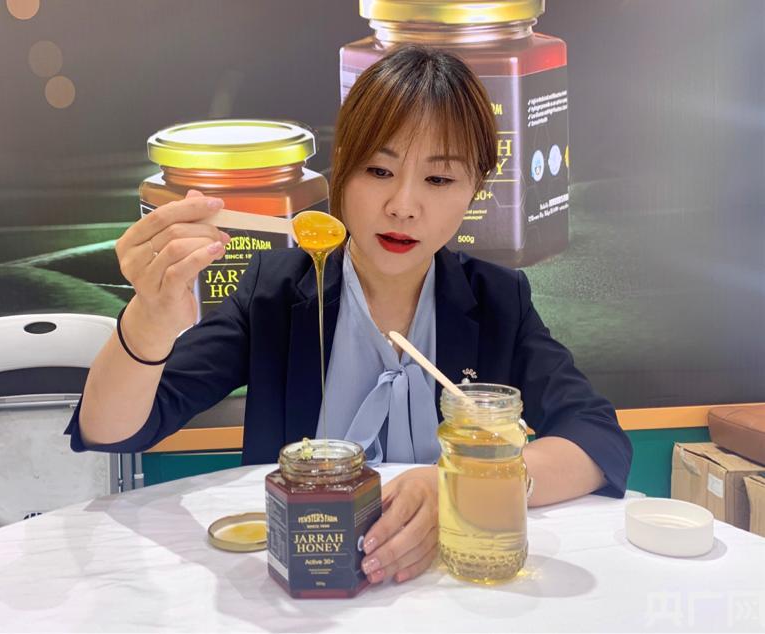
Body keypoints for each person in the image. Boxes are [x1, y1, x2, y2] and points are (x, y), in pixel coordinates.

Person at [66, 45, 632, 586]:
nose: (403, 205)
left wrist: (462, 487)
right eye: (379, 171)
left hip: (451, 581)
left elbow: (598, 440)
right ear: (341, 172)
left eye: (438, 179)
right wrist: (152, 315)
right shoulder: (275, 292)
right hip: (301, 586)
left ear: (474, 190)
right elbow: (113, 429)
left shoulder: (496, 299)